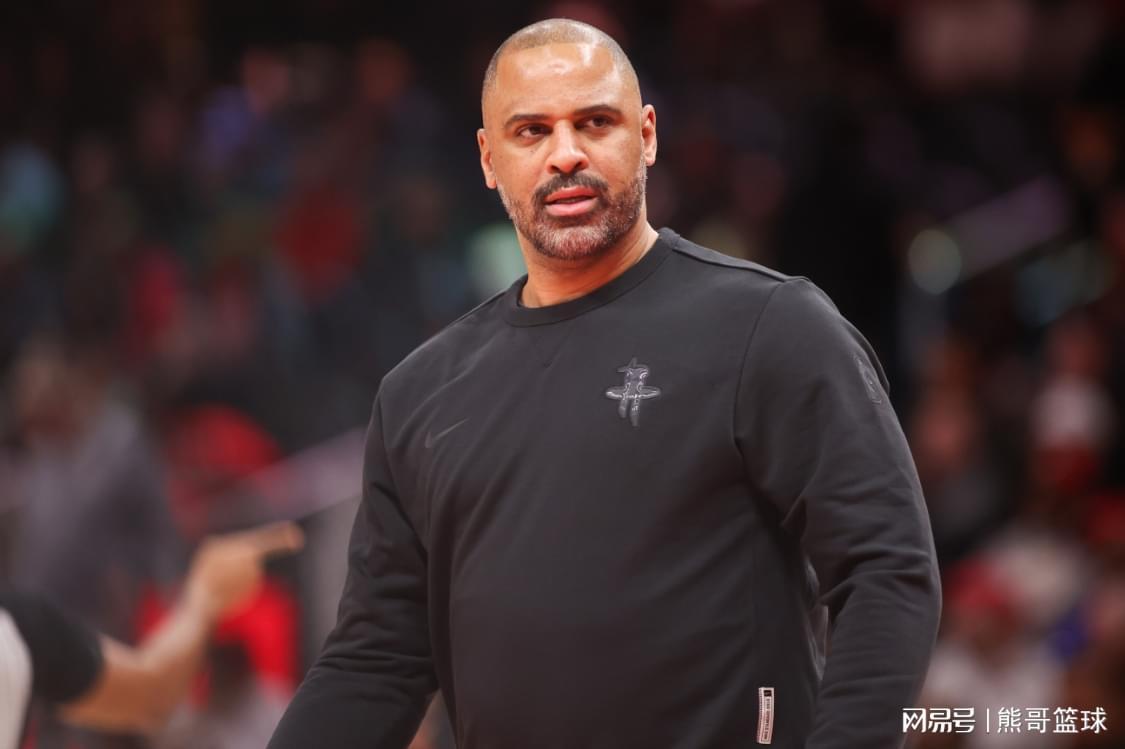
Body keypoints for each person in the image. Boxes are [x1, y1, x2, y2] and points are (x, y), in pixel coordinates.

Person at [269, 18, 941, 749]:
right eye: (531, 131)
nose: (565, 154)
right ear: (489, 159)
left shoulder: (769, 327)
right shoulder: (419, 394)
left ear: (646, 135)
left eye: (594, 122)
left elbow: (887, 570)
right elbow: (374, 662)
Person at [0, 522, 304, 749]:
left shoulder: (23, 624)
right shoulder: (17, 626)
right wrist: (205, 595)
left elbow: (151, 692)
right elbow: (151, 692)